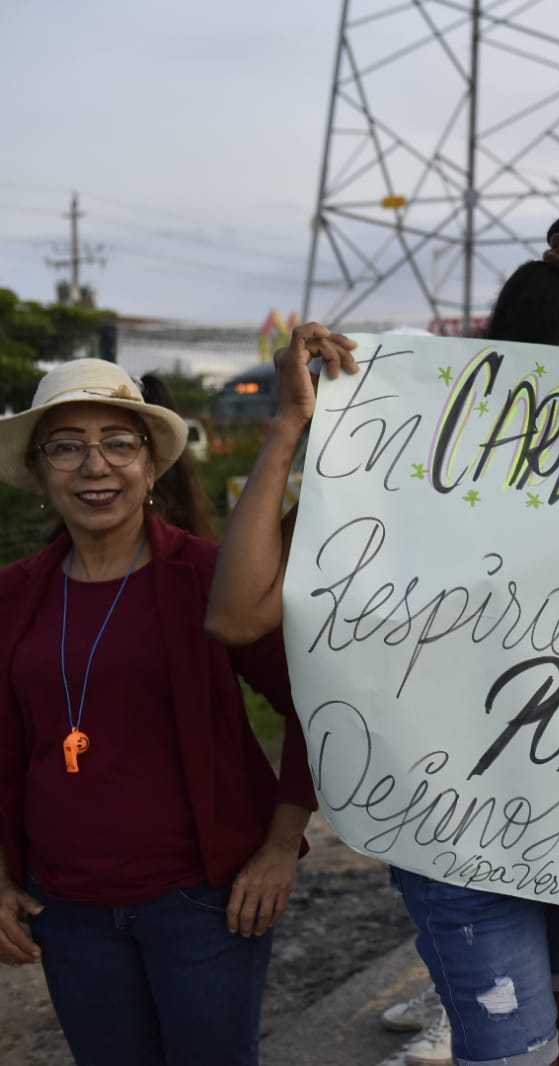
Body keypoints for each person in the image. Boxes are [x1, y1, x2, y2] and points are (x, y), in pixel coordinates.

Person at [206, 215, 559, 1066]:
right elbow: (239, 618)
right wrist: (287, 428)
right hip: (457, 840)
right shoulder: (399, 462)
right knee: (519, 1056)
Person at [0, 359, 316, 1066]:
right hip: (67, 911)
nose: (94, 465)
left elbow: (313, 706)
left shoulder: (209, 577)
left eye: (118, 441)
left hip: (202, 905)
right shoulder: (13, 597)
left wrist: (278, 847)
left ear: (150, 466)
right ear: (40, 471)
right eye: (66, 446)